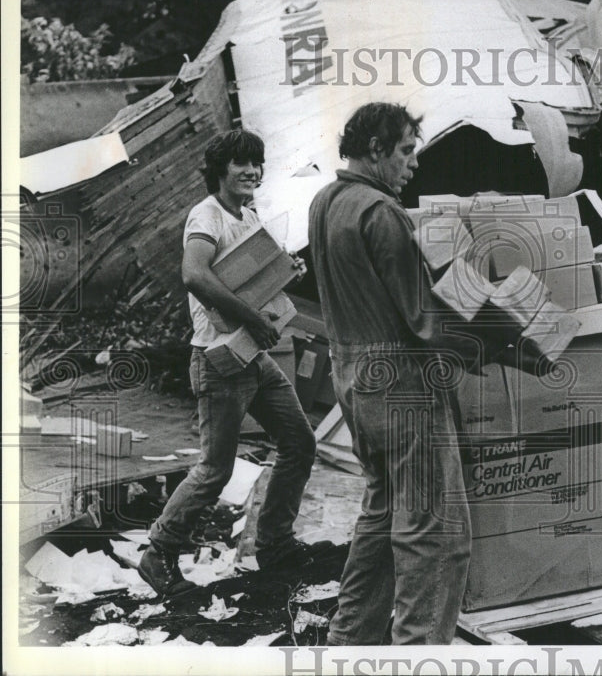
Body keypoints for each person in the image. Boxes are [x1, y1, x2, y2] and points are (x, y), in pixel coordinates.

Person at [309, 102, 481, 645]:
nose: (413, 165)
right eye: (406, 152)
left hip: (354, 382)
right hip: (402, 386)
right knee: (436, 534)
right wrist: (507, 344)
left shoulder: (324, 201)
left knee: (383, 519)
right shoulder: (382, 213)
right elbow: (425, 321)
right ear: (376, 150)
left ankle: (349, 642)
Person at [139, 129, 332, 598]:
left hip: (252, 354)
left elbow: (249, 280)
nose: (252, 171)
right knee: (215, 469)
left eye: (257, 164)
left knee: (299, 442)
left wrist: (286, 269)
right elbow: (194, 275)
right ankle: (158, 553)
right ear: (220, 169)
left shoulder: (248, 215)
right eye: (242, 163)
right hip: (219, 360)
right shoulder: (205, 217)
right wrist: (253, 319)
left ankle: (274, 544)